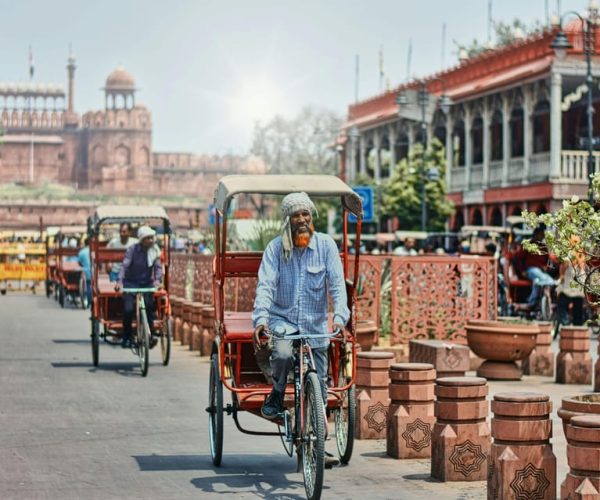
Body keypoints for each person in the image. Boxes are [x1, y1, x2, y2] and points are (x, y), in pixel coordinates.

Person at [252, 192, 349, 419]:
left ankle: (317, 431)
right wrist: (261, 320)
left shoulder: (326, 246)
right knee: (283, 355)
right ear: (288, 220)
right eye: (296, 216)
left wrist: (340, 318)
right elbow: (265, 285)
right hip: (283, 320)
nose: (302, 220)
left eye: (306, 214)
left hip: (315, 324)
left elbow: (337, 285)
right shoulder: (275, 249)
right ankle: (276, 394)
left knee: (321, 380)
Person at [114, 226, 162, 349]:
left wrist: (157, 281)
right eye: (148, 238)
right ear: (142, 239)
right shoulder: (132, 250)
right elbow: (124, 266)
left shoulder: (154, 250)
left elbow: (157, 267)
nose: (151, 241)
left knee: (150, 308)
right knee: (128, 310)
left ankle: (150, 335)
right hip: (131, 284)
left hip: (147, 283)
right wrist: (119, 282)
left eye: (152, 238)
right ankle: (127, 337)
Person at [522, 227, 556, 309]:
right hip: (530, 269)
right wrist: (521, 270)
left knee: (538, 281)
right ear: (536, 235)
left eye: (543, 235)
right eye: (541, 235)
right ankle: (533, 301)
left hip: (541, 271)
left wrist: (545, 267)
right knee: (548, 280)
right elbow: (518, 259)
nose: (542, 237)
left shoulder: (544, 247)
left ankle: (533, 302)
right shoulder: (527, 245)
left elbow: (547, 261)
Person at [556, 261, 584, 326]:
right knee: (578, 315)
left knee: (562, 307)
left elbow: (562, 275)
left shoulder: (566, 261)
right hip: (578, 292)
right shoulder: (581, 260)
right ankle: (577, 330)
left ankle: (565, 323)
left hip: (567, 290)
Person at [77, 237, 91, 307]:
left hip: (86, 272)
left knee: (88, 286)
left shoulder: (82, 252)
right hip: (96, 272)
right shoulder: (95, 250)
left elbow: (79, 263)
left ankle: (89, 302)